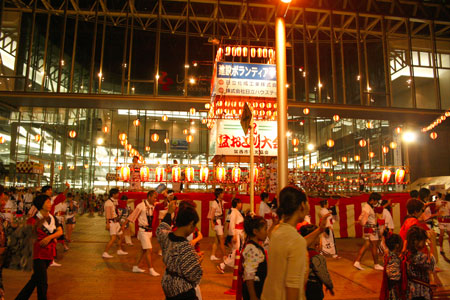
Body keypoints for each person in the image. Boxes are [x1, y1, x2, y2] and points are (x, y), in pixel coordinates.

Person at [261, 186, 325, 300]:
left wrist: (319, 230)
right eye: (307, 202)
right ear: (302, 205)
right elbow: (292, 288)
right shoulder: (295, 241)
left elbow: (294, 245)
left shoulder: (276, 232)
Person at [15, 194, 63, 300]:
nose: (50, 204)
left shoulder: (53, 218)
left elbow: (60, 231)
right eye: (47, 202)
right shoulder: (32, 220)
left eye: (49, 202)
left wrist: (49, 237)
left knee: (35, 280)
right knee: (42, 283)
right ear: (41, 205)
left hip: (49, 253)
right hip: (38, 254)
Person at [156, 199, 202, 300]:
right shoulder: (185, 247)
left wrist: (169, 212)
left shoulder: (165, 237)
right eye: (194, 226)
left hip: (168, 285)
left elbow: (161, 228)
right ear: (191, 224)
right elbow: (195, 276)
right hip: (183, 292)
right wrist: (197, 262)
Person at [120, 190, 160, 276]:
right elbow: (132, 216)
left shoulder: (153, 205)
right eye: (154, 197)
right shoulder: (141, 206)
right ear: (149, 196)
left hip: (149, 231)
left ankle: (135, 267)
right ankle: (151, 269)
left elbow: (163, 205)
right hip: (143, 231)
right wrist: (123, 225)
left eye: (156, 197)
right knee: (149, 250)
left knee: (142, 250)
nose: (155, 199)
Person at [300, 224, 334, 300]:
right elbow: (323, 273)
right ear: (314, 238)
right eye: (318, 236)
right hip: (313, 287)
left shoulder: (299, 253)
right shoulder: (317, 257)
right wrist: (329, 285)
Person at [237, 215, 268, 300]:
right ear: (255, 231)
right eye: (265, 229)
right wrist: (252, 296)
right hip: (254, 289)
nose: (267, 232)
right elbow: (249, 275)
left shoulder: (255, 246)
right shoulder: (252, 249)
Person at [353, 192, 384, 271]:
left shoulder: (368, 206)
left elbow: (362, 218)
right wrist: (360, 221)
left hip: (368, 228)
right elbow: (363, 218)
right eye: (376, 201)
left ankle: (357, 261)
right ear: (372, 200)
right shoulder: (367, 207)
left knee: (366, 244)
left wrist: (359, 221)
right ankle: (376, 264)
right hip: (371, 228)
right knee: (374, 246)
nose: (377, 203)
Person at [405, 226, 435, 300]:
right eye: (423, 240)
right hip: (420, 293)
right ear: (417, 241)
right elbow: (432, 264)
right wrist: (430, 243)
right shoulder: (420, 257)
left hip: (411, 291)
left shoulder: (406, 253)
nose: (425, 242)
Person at [217, 198, 244, 273]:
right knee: (236, 250)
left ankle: (226, 264)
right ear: (237, 204)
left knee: (237, 250)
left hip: (239, 233)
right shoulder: (233, 212)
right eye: (240, 203)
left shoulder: (236, 211)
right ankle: (223, 264)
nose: (241, 204)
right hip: (237, 233)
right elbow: (232, 225)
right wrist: (234, 235)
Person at [102, 188, 128, 258]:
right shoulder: (108, 203)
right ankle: (105, 252)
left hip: (116, 222)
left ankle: (119, 250)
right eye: (117, 193)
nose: (118, 194)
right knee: (113, 238)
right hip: (112, 222)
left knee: (120, 236)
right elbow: (107, 214)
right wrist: (107, 223)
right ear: (113, 194)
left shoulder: (115, 201)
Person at [379, 233, 403, 300]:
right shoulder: (393, 259)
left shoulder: (388, 256)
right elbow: (394, 277)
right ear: (397, 245)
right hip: (394, 291)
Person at [208, 188, 226, 261]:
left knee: (216, 240)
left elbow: (229, 204)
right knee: (221, 240)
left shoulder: (221, 201)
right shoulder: (214, 202)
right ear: (219, 194)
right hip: (217, 221)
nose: (223, 194)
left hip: (219, 221)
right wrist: (212, 223)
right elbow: (211, 213)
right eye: (222, 193)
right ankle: (225, 256)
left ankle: (212, 255)